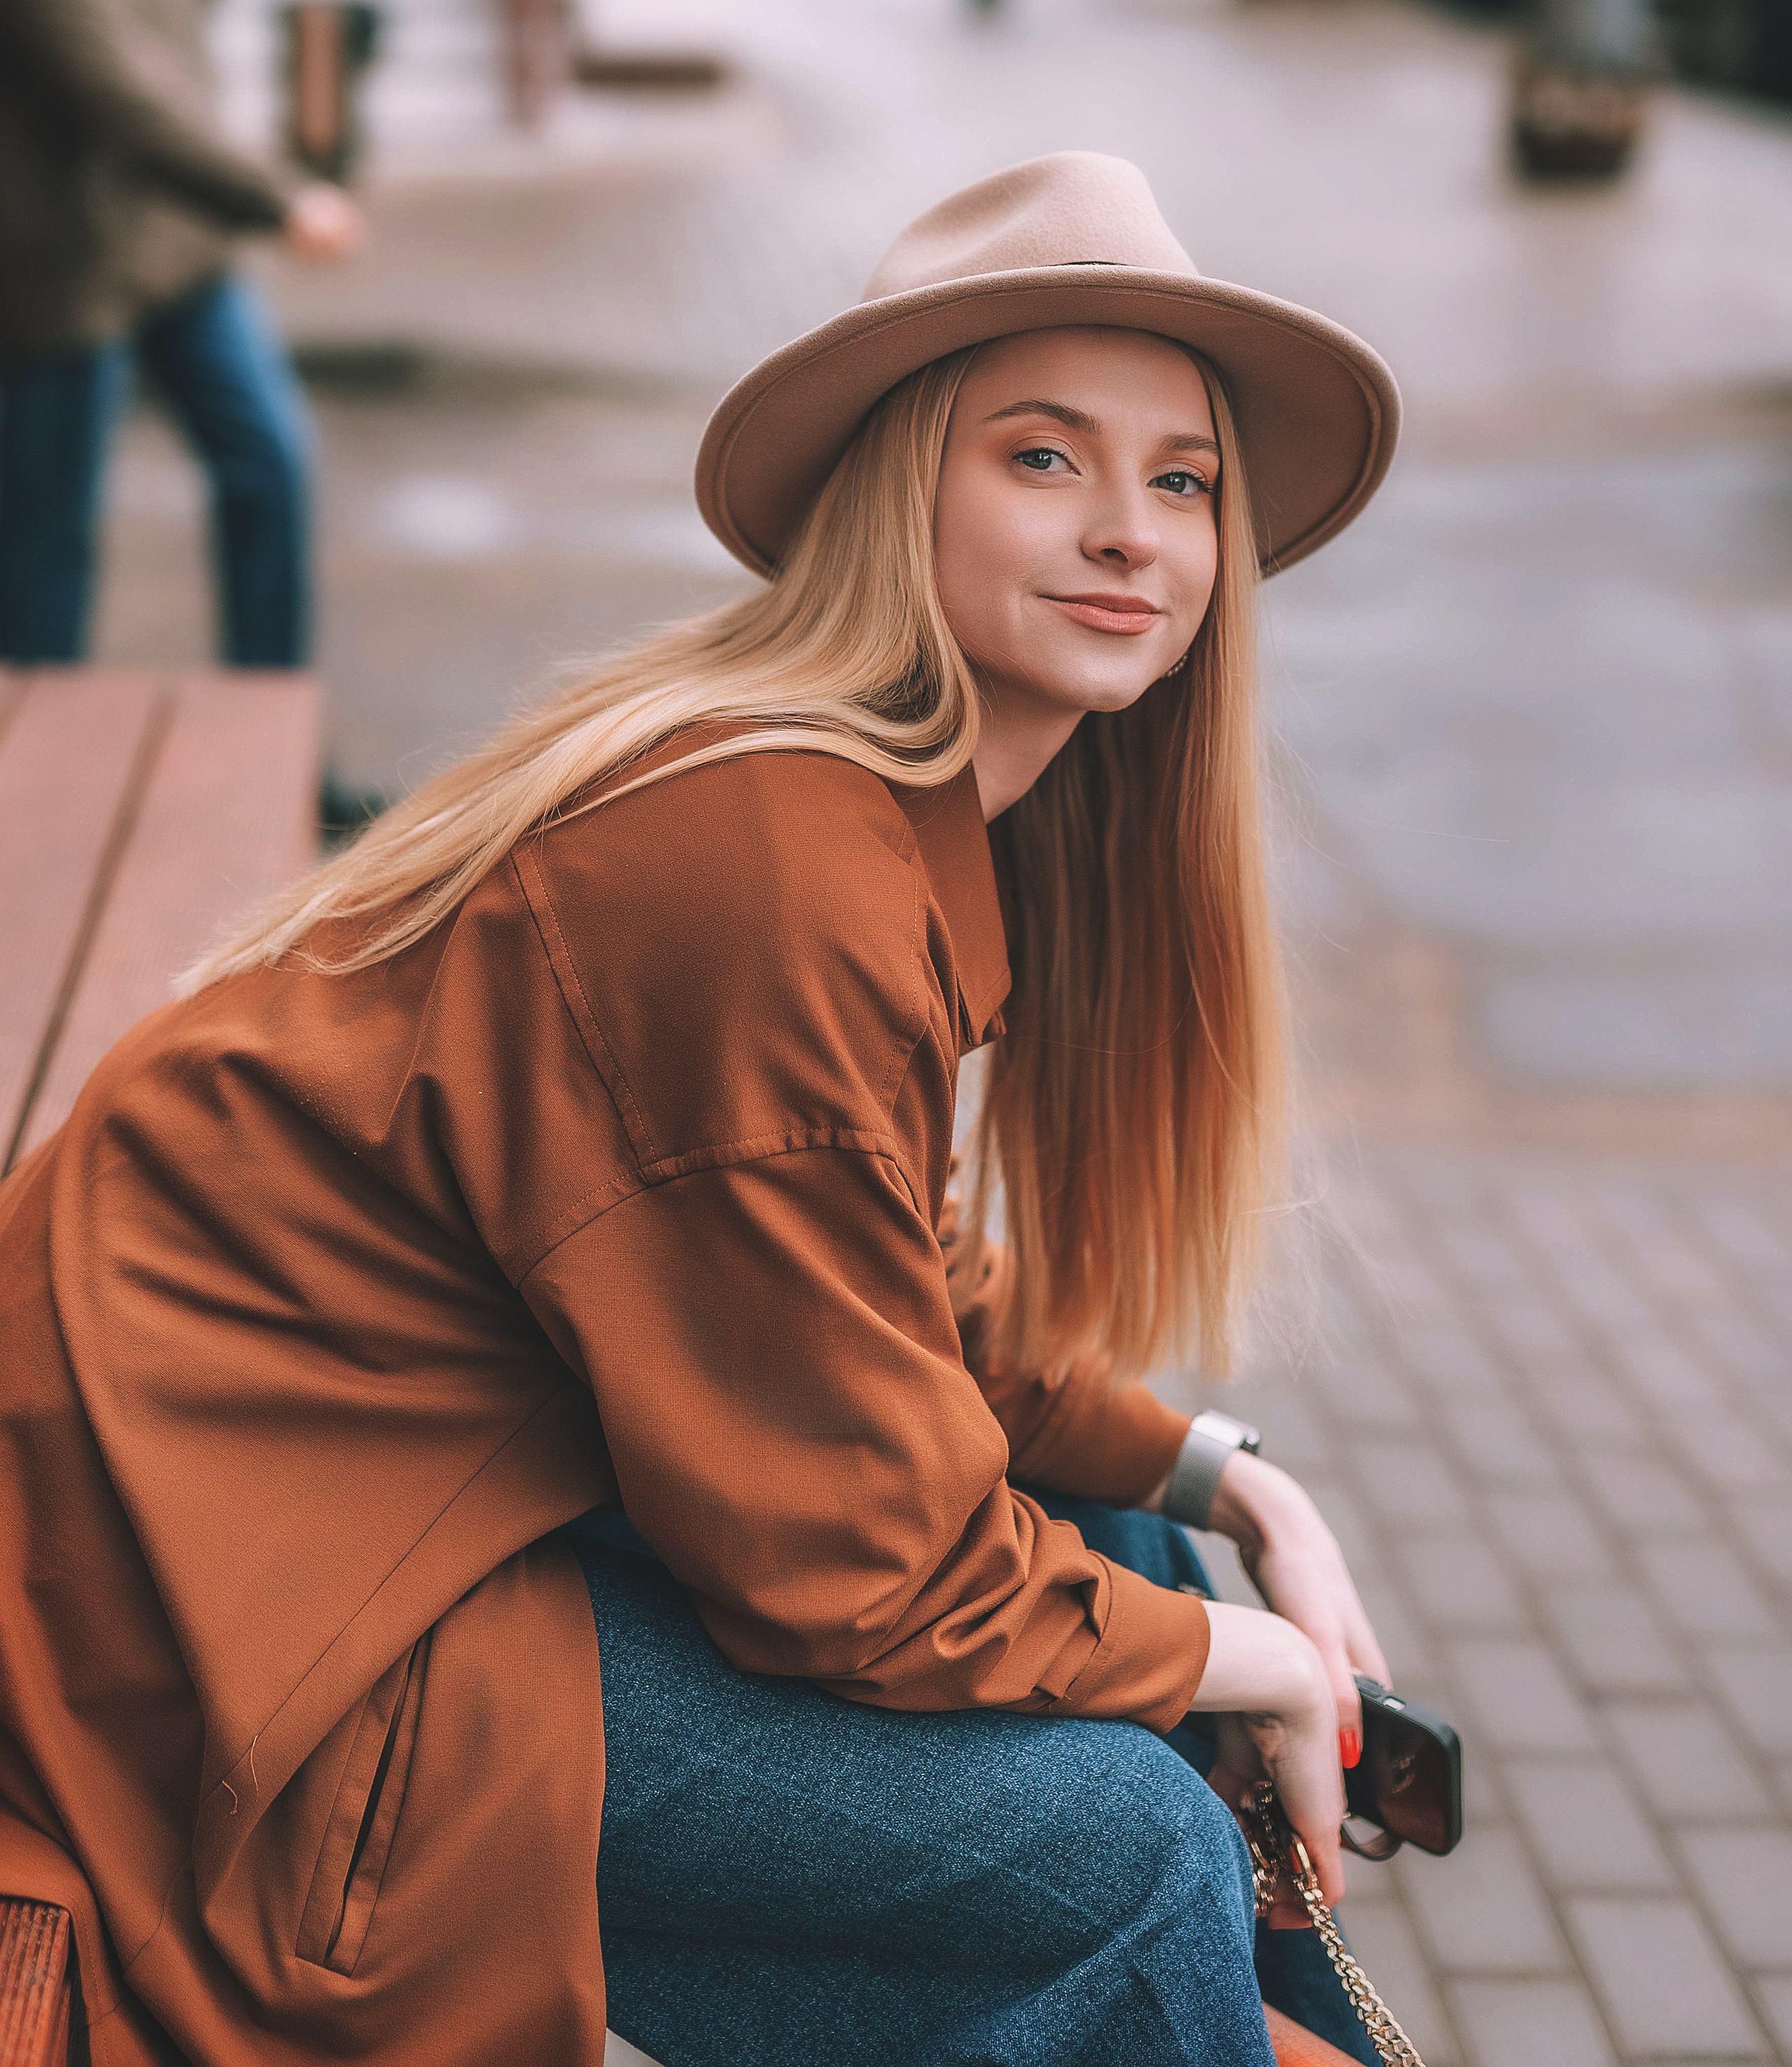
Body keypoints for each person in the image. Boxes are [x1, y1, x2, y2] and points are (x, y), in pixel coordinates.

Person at [0, 153, 1404, 2067]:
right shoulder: (772, 865)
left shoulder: (847, 799)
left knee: (1130, 1574)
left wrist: (1231, 1484)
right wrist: (1265, 1667)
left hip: (355, 1509)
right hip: (223, 1633)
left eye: (1182, 481)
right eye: (1044, 457)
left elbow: (854, 1276)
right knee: (1124, 1842)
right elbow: (867, 1564)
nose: (1129, 534)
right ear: (902, 484)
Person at [0, 0, 362, 679]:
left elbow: (179, 11)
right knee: (46, 550)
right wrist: (279, 194)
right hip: (66, 264)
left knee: (270, 468)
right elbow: (113, 88)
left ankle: (276, 731)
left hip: (173, 241)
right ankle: (32, 787)